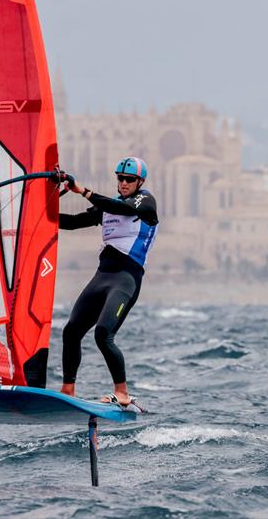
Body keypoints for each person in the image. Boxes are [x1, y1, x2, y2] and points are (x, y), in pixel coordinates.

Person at [58, 157, 159, 406]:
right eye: (120, 178)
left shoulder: (145, 201)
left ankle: (122, 393)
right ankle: (67, 390)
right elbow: (71, 223)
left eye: (129, 179)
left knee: (103, 334)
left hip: (126, 279)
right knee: (71, 332)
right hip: (102, 277)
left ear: (140, 181)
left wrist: (83, 191)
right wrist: (34, 213)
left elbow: (125, 209)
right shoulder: (108, 206)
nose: (124, 183)